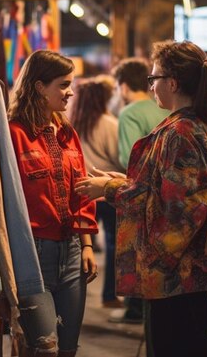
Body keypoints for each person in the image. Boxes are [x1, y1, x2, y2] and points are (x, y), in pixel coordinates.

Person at [75, 40, 207, 357]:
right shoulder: (201, 125)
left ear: (173, 82)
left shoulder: (180, 132)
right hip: (191, 270)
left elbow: (176, 209)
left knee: (174, 346)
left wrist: (110, 189)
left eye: (154, 79)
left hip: (176, 272)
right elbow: (173, 189)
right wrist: (125, 181)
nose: (151, 86)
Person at [7, 50, 98, 357]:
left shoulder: (68, 133)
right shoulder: (13, 133)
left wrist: (86, 245)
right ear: (38, 87)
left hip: (72, 252)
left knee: (68, 349)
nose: (70, 91)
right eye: (63, 84)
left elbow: (81, 191)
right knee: (44, 348)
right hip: (33, 254)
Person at [110, 57, 170, 323]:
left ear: (123, 86)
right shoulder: (167, 108)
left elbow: (128, 158)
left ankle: (136, 310)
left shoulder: (130, 113)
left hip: (140, 194)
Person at [68, 75, 125, 309]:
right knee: (112, 244)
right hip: (106, 189)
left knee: (82, 245)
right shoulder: (110, 124)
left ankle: (74, 295)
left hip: (81, 191)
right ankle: (109, 295)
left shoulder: (71, 123)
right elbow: (119, 157)